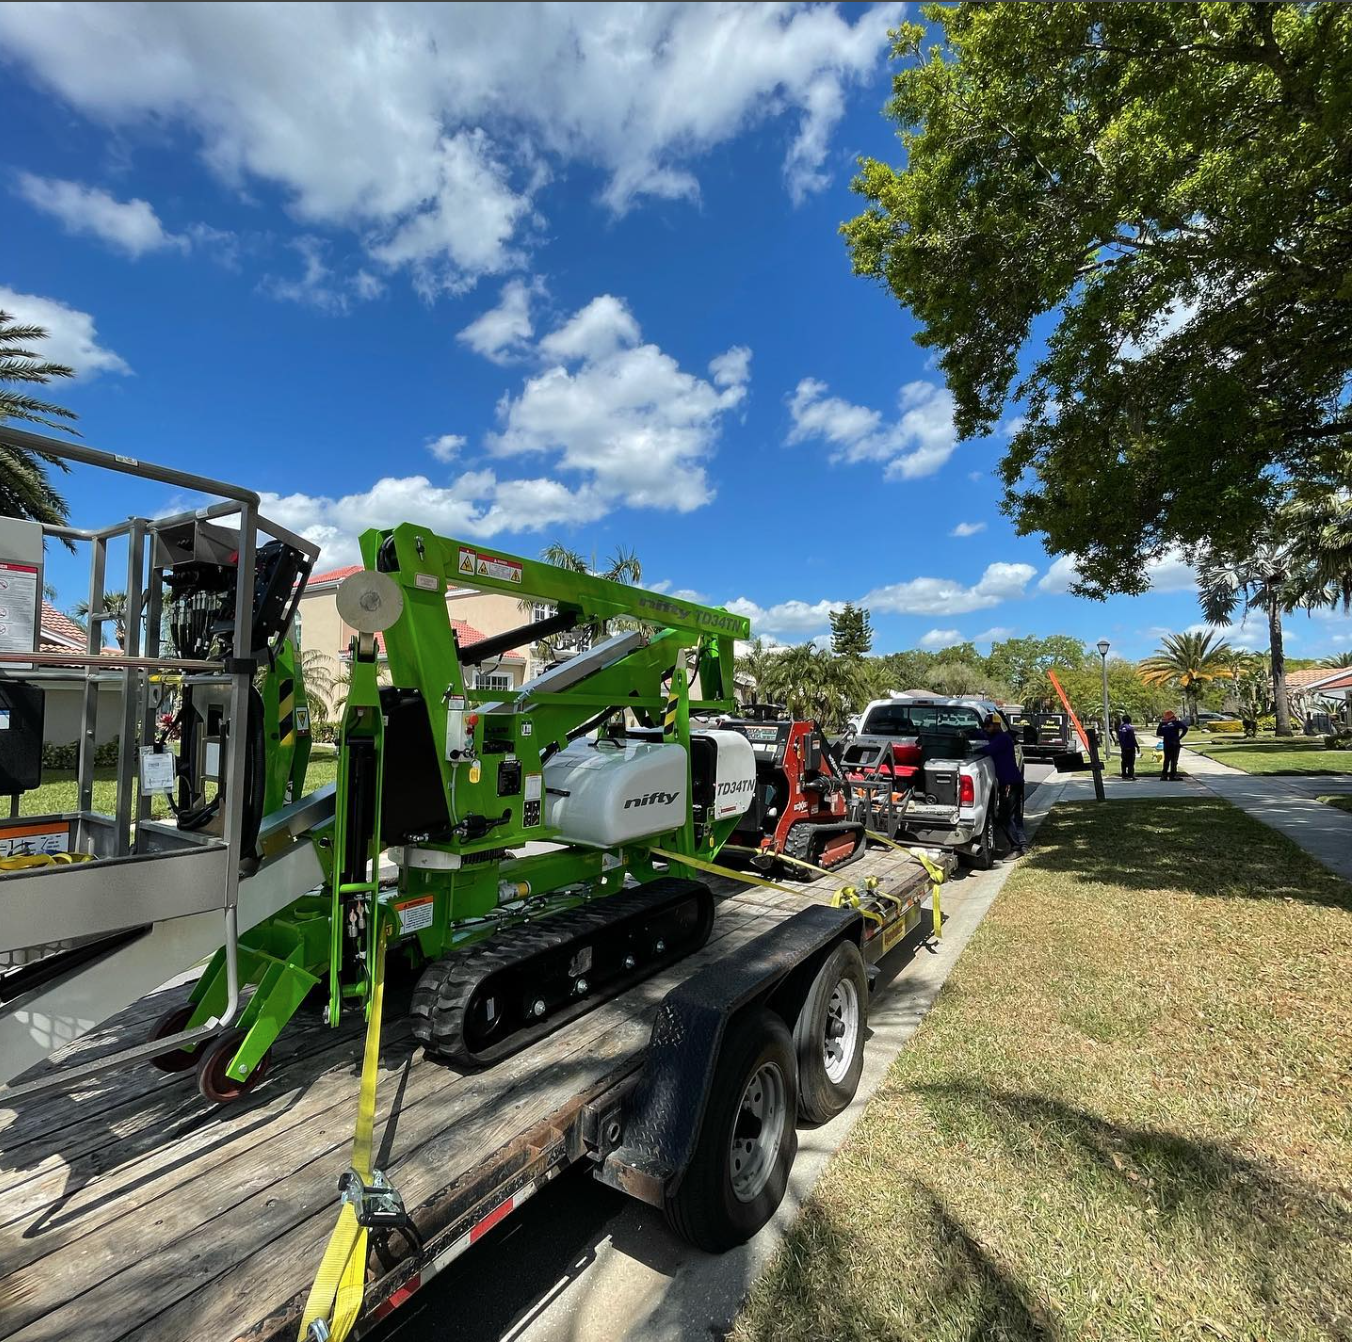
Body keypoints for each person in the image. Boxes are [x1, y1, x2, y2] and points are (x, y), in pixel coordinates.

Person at [977, 713, 1027, 855]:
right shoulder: (998, 737)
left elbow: (987, 749)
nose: (986, 729)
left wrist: (972, 749)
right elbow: (984, 736)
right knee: (1014, 817)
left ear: (997, 725)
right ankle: (1022, 844)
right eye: (984, 726)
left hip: (1009, 783)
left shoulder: (1002, 739)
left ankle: (1016, 848)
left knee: (1005, 817)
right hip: (1013, 781)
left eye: (988, 726)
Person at [1157, 709, 1188, 780]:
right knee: (1174, 760)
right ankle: (1172, 776)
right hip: (1175, 743)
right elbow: (1185, 729)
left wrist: (1166, 732)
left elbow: (1158, 733)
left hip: (1166, 743)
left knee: (1166, 760)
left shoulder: (1162, 724)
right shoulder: (1176, 723)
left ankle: (1164, 776)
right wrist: (1179, 737)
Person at [1116, 714, 1138, 779]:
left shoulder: (1120, 728)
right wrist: (1137, 746)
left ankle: (1124, 774)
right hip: (1130, 747)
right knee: (1131, 762)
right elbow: (1132, 738)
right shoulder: (1129, 728)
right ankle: (1130, 775)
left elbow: (1119, 737)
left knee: (1124, 761)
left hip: (1123, 747)